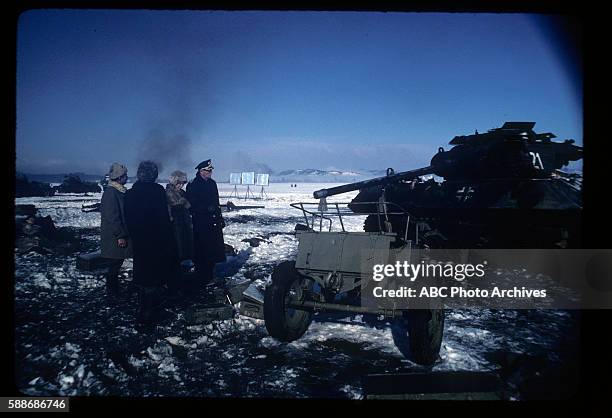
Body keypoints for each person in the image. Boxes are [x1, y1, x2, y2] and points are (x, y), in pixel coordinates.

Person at [124, 161, 179, 324]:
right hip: (157, 241)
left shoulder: (131, 193)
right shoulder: (157, 191)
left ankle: (142, 309)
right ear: (154, 175)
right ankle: (149, 313)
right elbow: (163, 219)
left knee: (142, 274)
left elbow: (128, 218)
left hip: (139, 240)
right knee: (154, 278)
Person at [185, 159, 226, 288]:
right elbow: (192, 204)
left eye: (210, 170)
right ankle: (202, 276)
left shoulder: (212, 184)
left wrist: (219, 218)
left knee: (213, 250)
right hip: (201, 222)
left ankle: (210, 274)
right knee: (202, 251)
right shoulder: (193, 184)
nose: (210, 173)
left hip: (213, 222)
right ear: (201, 171)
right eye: (208, 171)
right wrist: (206, 208)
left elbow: (216, 202)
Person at [99, 163, 133, 297]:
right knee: (114, 265)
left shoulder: (118, 190)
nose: (126, 177)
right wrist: (120, 235)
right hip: (114, 236)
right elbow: (112, 216)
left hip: (119, 234)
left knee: (116, 263)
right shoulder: (111, 192)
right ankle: (112, 294)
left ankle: (114, 292)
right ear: (119, 177)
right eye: (125, 175)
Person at [165, 170, 194, 262]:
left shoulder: (182, 193)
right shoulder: (168, 193)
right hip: (175, 224)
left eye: (182, 183)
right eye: (179, 183)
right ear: (174, 182)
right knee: (177, 247)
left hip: (184, 223)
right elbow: (169, 208)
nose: (181, 186)